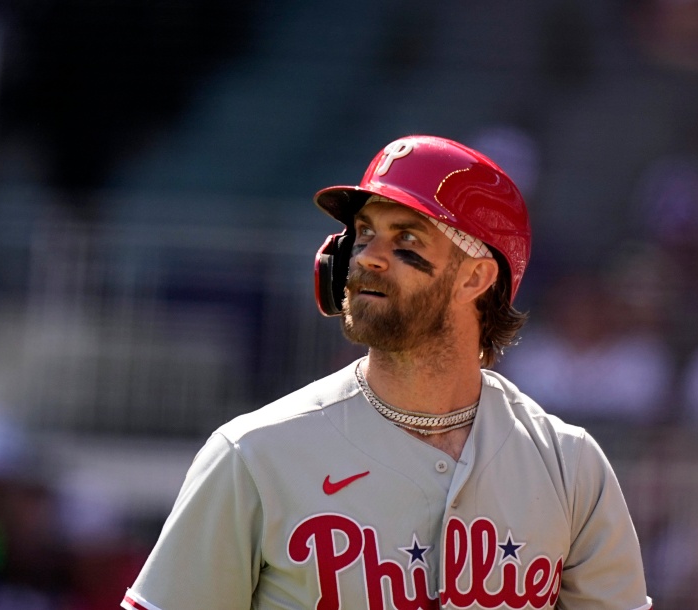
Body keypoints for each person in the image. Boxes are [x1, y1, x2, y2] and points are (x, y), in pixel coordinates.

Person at [120, 135, 652, 609]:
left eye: (407, 239)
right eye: (363, 233)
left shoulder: (569, 467)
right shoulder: (252, 455)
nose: (367, 257)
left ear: (475, 278)